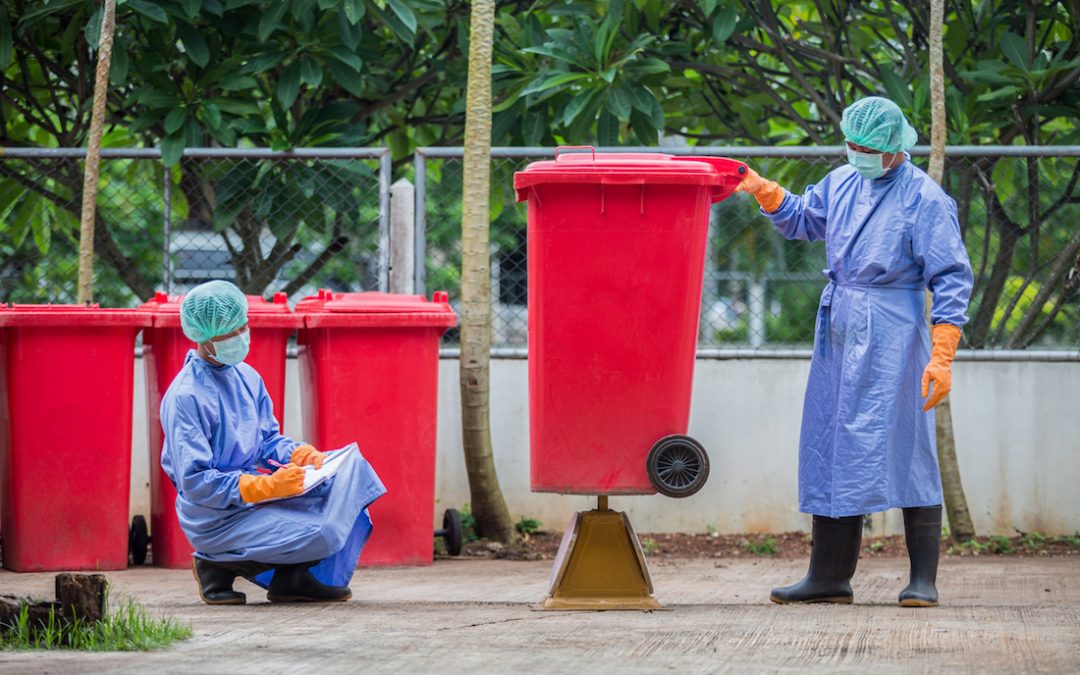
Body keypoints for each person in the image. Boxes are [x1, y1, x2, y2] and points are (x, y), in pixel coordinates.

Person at [735, 96, 973, 607]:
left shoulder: (924, 199)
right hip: (840, 323)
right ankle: (829, 577)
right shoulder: (842, 181)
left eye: (867, 148)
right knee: (831, 441)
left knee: (907, 445)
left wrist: (942, 352)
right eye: (852, 145)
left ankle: (922, 581)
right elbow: (804, 219)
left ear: (893, 148)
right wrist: (766, 191)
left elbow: (951, 275)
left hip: (894, 328)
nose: (857, 154)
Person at [160, 280, 386, 605]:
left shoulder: (247, 377)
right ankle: (215, 562)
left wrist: (298, 454)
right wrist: (262, 488)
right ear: (204, 337)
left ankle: (292, 579)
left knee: (352, 474)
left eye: (243, 327)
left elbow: (267, 440)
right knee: (321, 532)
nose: (241, 337)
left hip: (254, 501)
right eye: (231, 332)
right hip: (216, 517)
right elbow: (195, 482)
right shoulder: (185, 397)